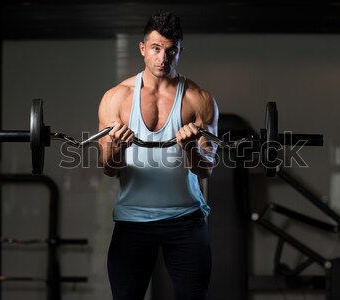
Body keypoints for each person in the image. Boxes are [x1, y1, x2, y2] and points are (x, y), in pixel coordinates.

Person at [98, 11, 219, 300]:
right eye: (155, 48)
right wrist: (117, 147)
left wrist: (191, 147)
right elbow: (108, 167)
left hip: (186, 219)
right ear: (143, 49)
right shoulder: (117, 97)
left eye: (170, 50)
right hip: (133, 220)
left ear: (179, 51)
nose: (162, 58)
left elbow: (207, 169)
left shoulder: (198, 99)